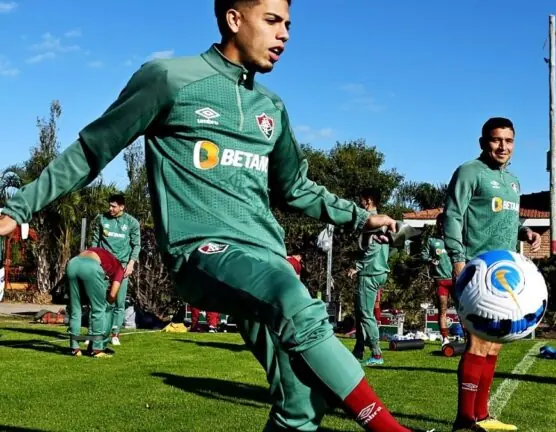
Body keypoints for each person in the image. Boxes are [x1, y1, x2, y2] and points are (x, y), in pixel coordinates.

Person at [0, 1, 418, 430]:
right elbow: (93, 149)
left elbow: (295, 189)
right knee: (291, 295)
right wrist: (19, 207)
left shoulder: (271, 108)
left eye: (288, 24)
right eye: (272, 21)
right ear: (234, 20)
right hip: (201, 252)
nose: (285, 34)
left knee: (302, 402)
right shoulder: (169, 79)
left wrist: (360, 218)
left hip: (264, 260)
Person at [443, 117, 541, 432]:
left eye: (509, 141)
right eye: (496, 140)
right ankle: (464, 420)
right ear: (483, 142)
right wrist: (458, 259)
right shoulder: (469, 172)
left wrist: (525, 232)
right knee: (477, 343)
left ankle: (482, 416)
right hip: (475, 270)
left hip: (505, 273)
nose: (503, 147)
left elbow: (506, 220)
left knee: (494, 345)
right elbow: (453, 215)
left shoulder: (513, 181)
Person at [90, 193, 141, 346]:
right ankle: (93, 333)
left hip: (122, 267)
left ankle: (115, 333)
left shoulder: (131, 222)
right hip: (103, 266)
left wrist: (131, 264)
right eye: (109, 205)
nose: (110, 208)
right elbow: (94, 241)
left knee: (118, 302)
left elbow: (136, 245)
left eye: (113, 206)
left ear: (121, 207)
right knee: (98, 301)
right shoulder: (101, 219)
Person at [348, 188, 390, 366]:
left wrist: (357, 267)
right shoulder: (384, 221)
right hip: (379, 271)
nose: (360, 202)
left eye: (361, 199)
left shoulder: (372, 221)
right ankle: (358, 349)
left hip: (370, 272)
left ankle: (376, 354)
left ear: (369, 201)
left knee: (365, 313)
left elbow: (372, 248)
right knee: (361, 311)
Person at [66, 247, 125, 358]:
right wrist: (106, 299)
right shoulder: (121, 269)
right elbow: (112, 296)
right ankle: (97, 349)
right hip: (91, 267)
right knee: (99, 309)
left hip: (73, 263)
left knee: (76, 308)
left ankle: (75, 348)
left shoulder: (104, 254)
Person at [420, 212, 454, 346]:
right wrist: (430, 259)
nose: (441, 225)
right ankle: (445, 338)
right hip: (440, 281)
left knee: (462, 309)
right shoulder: (431, 241)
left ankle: (467, 336)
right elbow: (423, 255)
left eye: (443, 222)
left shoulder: (454, 239)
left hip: (455, 280)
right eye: (439, 222)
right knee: (442, 309)